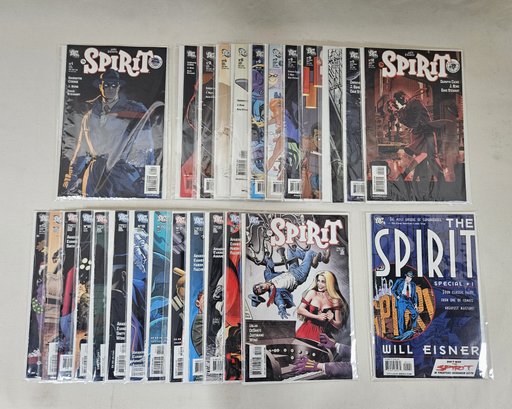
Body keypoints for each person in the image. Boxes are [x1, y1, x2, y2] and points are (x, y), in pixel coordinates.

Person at [62, 69, 156, 197]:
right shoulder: (89, 116)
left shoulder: (135, 110)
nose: (110, 88)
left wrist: (147, 173)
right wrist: (71, 176)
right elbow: (81, 150)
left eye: (114, 85)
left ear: (118, 86)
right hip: (95, 174)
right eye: (106, 85)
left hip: (123, 173)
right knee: (91, 206)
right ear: (100, 86)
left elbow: (146, 145)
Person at [251, 248, 330, 319]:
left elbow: (269, 265)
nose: (261, 288)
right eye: (262, 290)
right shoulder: (273, 293)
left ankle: (312, 262)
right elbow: (278, 300)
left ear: (260, 283)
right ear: (264, 292)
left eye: (259, 286)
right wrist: (281, 308)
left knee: (291, 250)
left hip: (291, 270)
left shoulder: (268, 276)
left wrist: (266, 257)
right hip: (299, 276)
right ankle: (324, 258)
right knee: (309, 253)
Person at [392, 90, 449, 183]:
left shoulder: (415, 103)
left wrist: (401, 116)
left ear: (403, 97)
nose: (400, 103)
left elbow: (413, 123)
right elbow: (410, 123)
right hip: (421, 134)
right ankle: (441, 180)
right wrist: (400, 115)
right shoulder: (408, 106)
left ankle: (403, 176)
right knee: (429, 157)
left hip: (425, 133)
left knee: (426, 156)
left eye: (399, 101)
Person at [295, 271, 348, 342]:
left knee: (332, 345)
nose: (319, 284)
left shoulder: (335, 300)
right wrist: (317, 316)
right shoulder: (312, 293)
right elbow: (300, 310)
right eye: (318, 281)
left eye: (323, 282)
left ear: (329, 283)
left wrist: (331, 320)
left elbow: (339, 325)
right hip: (306, 331)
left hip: (323, 335)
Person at [391, 269, 418, 338]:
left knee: (415, 313)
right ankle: (402, 334)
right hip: (401, 300)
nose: (409, 279)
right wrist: (397, 297)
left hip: (409, 300)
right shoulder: (399, 281)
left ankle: (411, 328)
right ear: (406, 276)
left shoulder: (413, 284)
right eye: (408, 277)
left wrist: (415, 304)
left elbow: (415, 295)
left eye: (410, 278)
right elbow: (393, 290)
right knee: (401, 317)